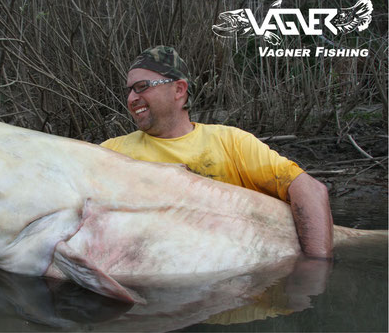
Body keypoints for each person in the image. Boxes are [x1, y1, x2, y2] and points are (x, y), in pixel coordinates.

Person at [101, 45, 334, 259]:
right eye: (130, 90)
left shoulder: (230, 142)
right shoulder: (112, 152)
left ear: (179, 89)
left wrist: (315, 272)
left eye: (141, 87)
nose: (132, 98)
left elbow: (310, 190)